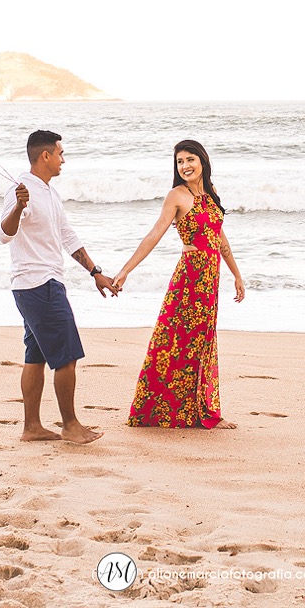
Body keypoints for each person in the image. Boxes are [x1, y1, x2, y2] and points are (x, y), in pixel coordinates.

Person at [115, 140, 245, 429]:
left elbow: (220, 240)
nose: (185, 166)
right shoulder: (177, 195)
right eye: (179, 161)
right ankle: (158, 409)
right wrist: (125, 270)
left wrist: (236, 274)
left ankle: (201, 410)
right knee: (175, 341)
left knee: (203, 343)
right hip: (189, 279)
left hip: (210, 281)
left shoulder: (211, 196)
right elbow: (154, 235)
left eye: (190, 159)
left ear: (202, 161)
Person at [0, 130, 116, 444]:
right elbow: (4, 233)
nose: (64, 159)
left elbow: (67, 236)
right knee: (67, 356)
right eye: (60, 153)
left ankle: (32, 427)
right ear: (45, 156)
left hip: (40, 284)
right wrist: (18, 208)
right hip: (38, 284)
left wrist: (95, 271)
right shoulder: (21, 190)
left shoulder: (49, 192)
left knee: (35, 357)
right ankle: (70, 424)